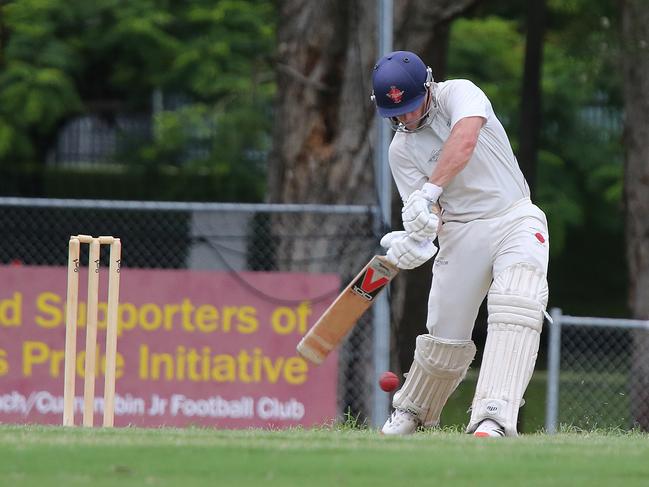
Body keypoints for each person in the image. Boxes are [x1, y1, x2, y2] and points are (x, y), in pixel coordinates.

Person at [372, 50, 549, 437]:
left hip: (513, 215)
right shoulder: (400, 151)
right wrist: (417, 235)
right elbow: (430, 213)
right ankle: (414, 411)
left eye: (412, 107)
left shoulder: (460, 94)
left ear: (429, 86)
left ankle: (493, 415)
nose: (406, 118)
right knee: (445, 334)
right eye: (395, 115)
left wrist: (429, 190)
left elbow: (464, 140)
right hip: (461, 232)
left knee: (516, 304)